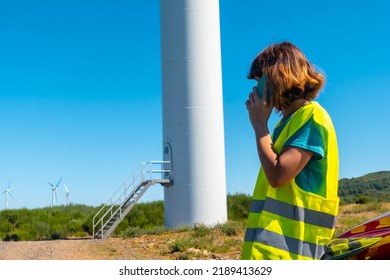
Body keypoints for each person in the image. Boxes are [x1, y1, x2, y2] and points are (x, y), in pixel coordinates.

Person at [241, 42, 339, 260]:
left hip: (293, 252)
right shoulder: (282, 125)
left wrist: (259, 126)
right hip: (272, 250)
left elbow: (278, 175)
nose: (254, 89)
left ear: (278, 76)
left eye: (259, 80)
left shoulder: (312, 116)